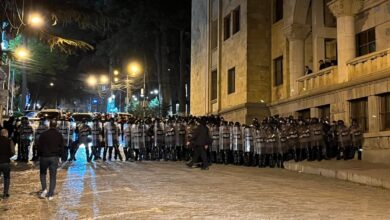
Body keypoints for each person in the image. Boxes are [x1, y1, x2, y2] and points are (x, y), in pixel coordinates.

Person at [37, 120, 64, 200]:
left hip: (44, 157)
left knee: (42, 174)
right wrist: (60, 156)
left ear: (49, 125)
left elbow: (39, 146)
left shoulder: (43, 134)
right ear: (56, 125)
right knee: (53, 176)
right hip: (54, 157)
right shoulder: (59, 135)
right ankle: (50, 194)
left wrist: (39, 155)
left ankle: (44, 189)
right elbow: (62, 147)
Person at [0, 129, 15, 199]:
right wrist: (8, 156)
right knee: (6, 178)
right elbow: (13, 152)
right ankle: (5, 194)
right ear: (6, 134)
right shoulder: (9, 141)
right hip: (6, 162)